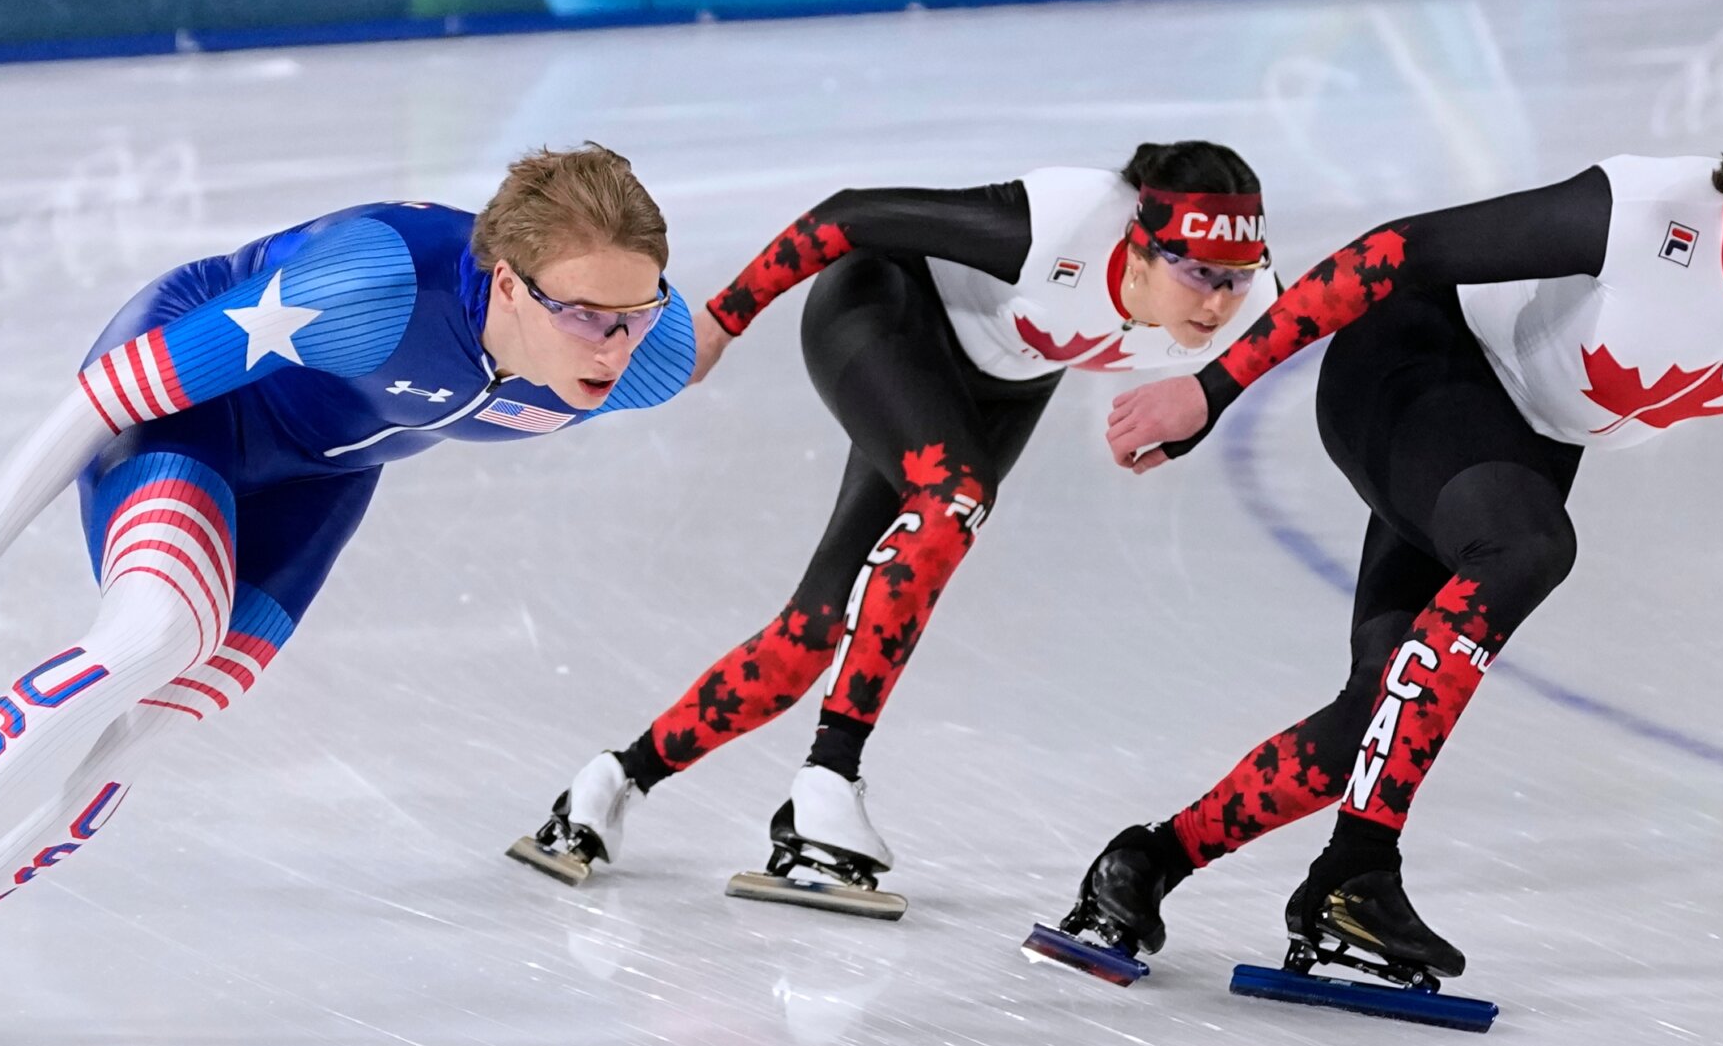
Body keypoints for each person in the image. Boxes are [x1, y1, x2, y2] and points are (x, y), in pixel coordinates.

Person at [0, 146, 701, 1046]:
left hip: (322, 479)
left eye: (636, 311)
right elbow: (100, 399)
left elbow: (698, 340)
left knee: (153, 725)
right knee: (161, 631)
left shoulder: (648, 357)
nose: (617, 343)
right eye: (584, 315)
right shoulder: (372, 287)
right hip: (194, 414)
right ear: (503, 285)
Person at [1036, 76, 1723, 995]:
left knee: (1376, 722)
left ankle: (1144, 864)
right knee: (1528, 548)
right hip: (1417, 360)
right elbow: (1398, 251)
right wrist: (1209, 389)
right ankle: (1357, 871)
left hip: (1522, 437)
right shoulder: (1646, 214)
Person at [511, 144, 1279, 914]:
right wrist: (722, 320)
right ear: (1138, 251)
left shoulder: (1253, 299)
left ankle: (611, 783)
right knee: (954, 498)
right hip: (883, 312)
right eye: (1195, 273)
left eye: (1233, 278)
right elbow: (849, 216)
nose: (1216, 304)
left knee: (817, 630)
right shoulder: (1062, 223)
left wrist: (1198, 410)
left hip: (1002, 383)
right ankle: (827, 780)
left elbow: (1300, 334)